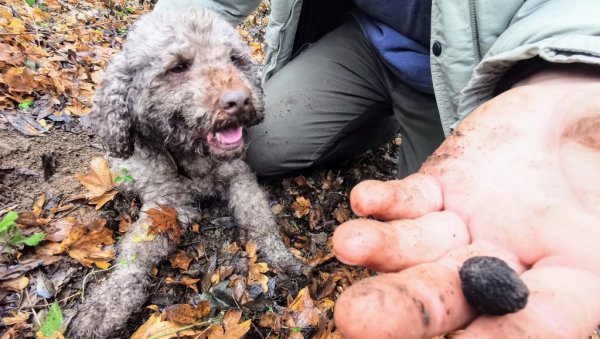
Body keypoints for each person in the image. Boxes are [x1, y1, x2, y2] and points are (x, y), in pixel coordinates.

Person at [154, 1, 600, 337]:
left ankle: (406, 122)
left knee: (426, 220)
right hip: (368, 43)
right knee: (260, 146)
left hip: (465, 73)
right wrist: (150, 51)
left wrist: (566, 72)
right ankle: (372, 117)